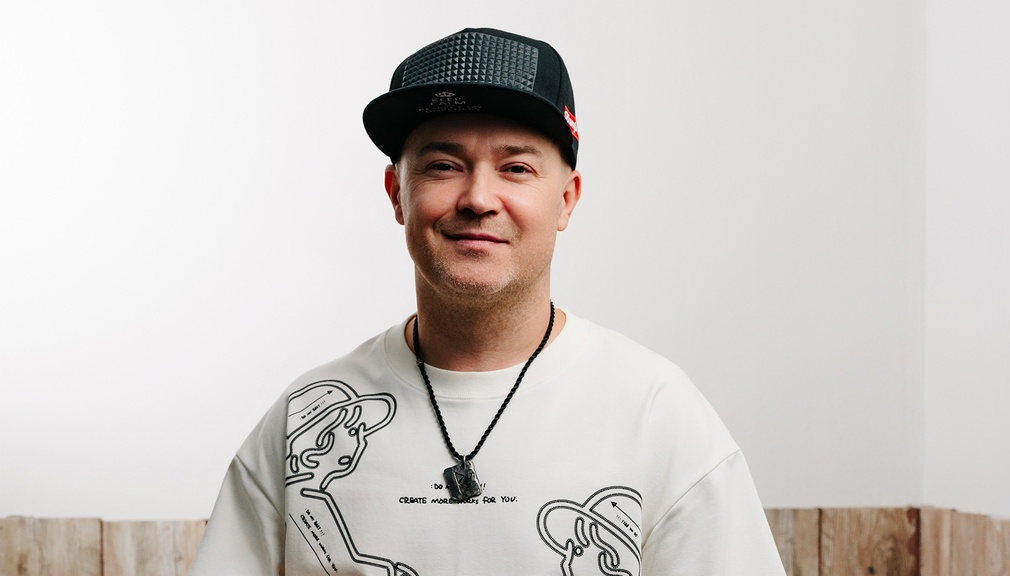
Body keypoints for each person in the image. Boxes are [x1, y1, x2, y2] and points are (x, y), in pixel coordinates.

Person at [188, 27, 786, 576]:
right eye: (443, 165)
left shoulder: (657, 414)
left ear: (566, 200)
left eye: (516, 168)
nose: (478, 197)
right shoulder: (304, 419)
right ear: (398, 194)